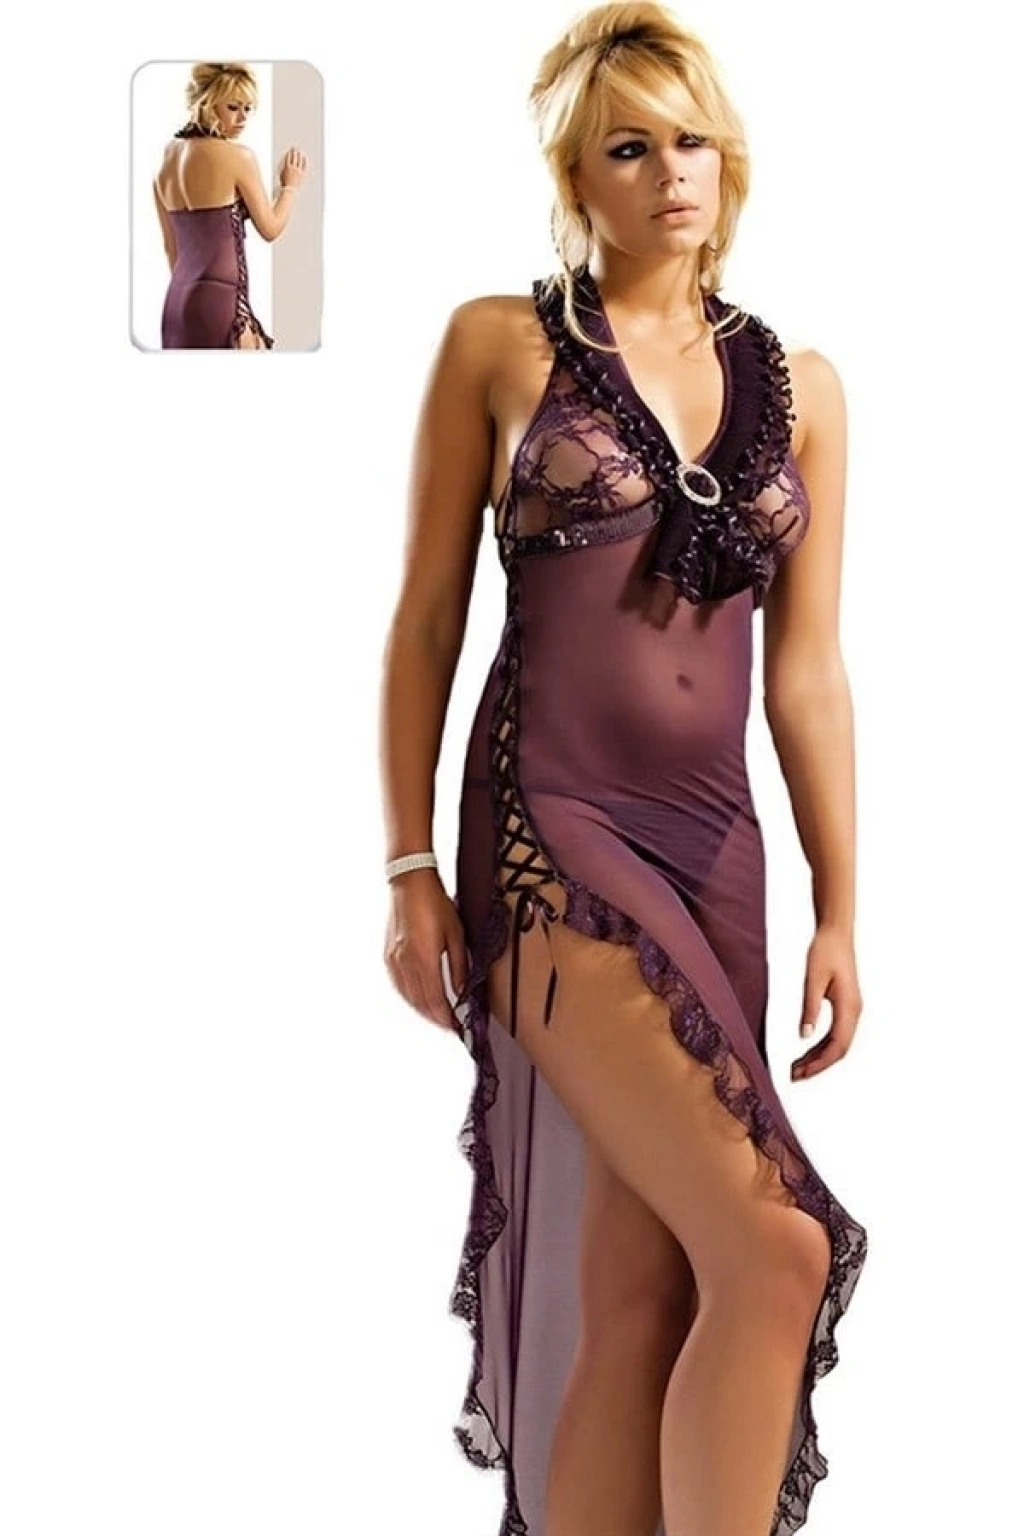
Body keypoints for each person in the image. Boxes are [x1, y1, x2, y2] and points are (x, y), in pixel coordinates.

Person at [379, 5, 868, 1533]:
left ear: (732, 160)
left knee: (648, 1292)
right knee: (779, 1247)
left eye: (692, 141)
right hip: (551, 830)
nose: (672, 174)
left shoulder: (804, 385)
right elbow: (426, 621)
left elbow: (806, 672)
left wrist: (842, 905)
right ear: (575, 177)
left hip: (719, 853)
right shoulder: (499, 345)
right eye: (631, 148)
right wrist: (409, 867)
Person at [153, 62, 308, 349]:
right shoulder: (237, 156)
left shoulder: (167, 161)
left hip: (176, 302)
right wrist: (291, 187)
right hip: (220, 302)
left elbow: (171, 249)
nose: (243, 118)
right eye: (233, 107)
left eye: (248, 108)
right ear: (207, 103)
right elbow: (271, 228)